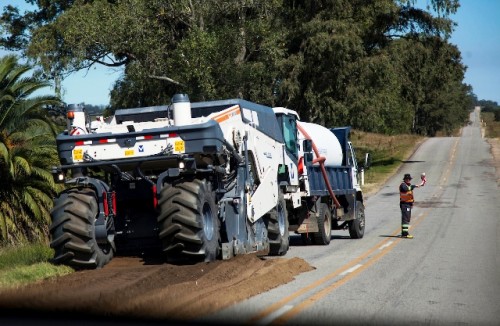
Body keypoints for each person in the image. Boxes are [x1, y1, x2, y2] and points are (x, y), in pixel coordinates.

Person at [399, 173, 425, 238]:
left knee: (407, 218)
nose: (408, 180)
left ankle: (404, 233)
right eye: (407, 179)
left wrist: (412, 203)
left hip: (408, 204)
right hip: (404, 204)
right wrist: (414, 186)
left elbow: (410, 195)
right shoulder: (403, 185)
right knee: (405, 218)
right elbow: (406, 189)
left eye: (409, 179)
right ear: (405, 179)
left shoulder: (408, 185)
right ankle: (405, 233)